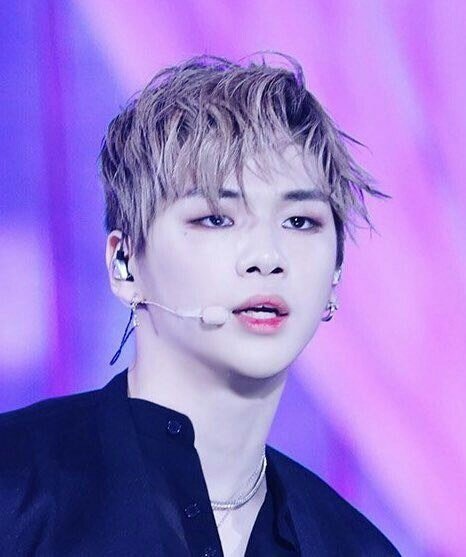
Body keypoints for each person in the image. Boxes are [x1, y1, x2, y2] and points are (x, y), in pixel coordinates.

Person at [0, 53, 401, 556]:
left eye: (300, 221)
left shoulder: (356, 547)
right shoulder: (15, 487)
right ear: (124, 263)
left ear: (336, 272)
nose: (267, 258)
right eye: (216, 218)